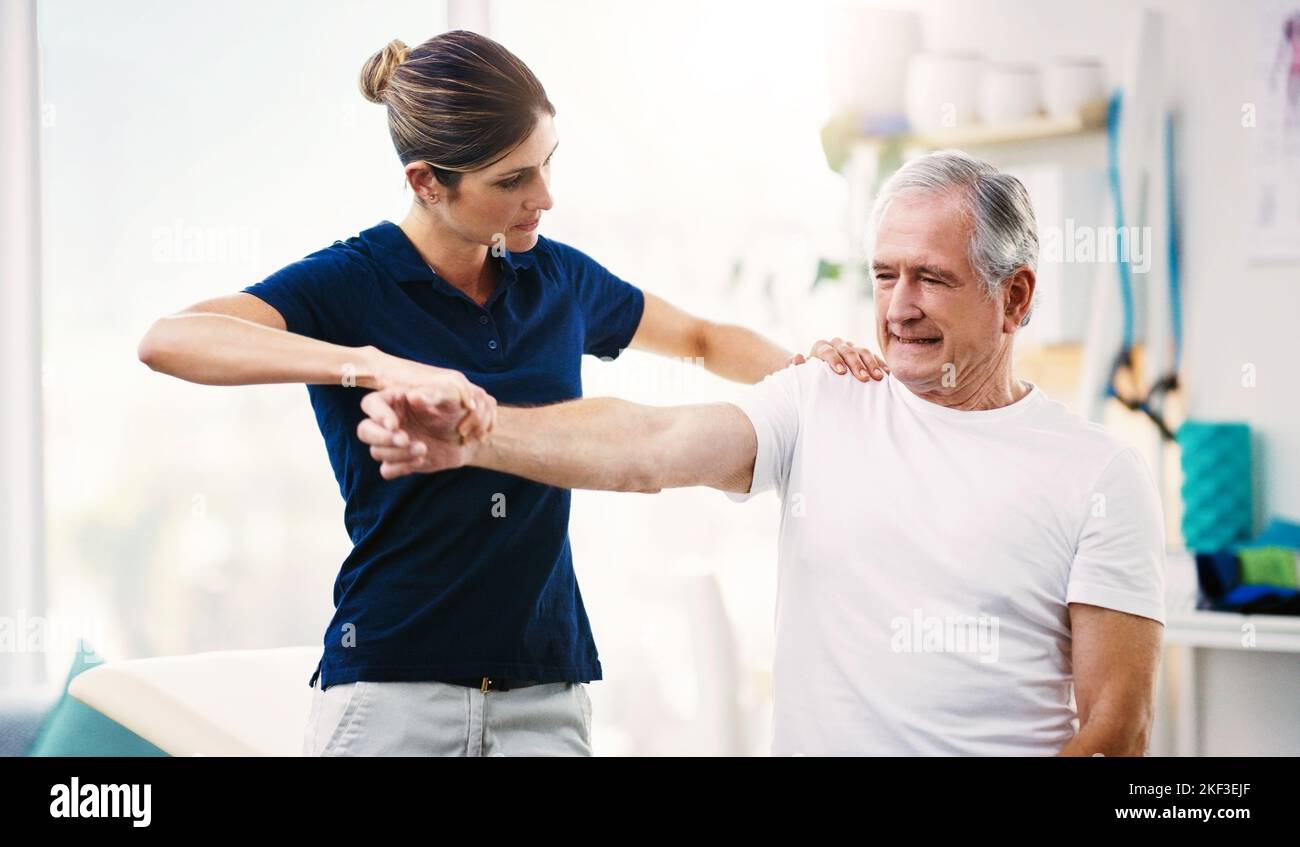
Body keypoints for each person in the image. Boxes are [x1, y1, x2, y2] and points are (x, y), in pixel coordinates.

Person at [137, 29, 883, 757]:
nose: (545, 197)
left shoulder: (558, 279)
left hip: (545, 690)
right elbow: (171, 338)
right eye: (512, 180)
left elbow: (702, 339)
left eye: (546, 164)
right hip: (392, 691)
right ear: (427, 182)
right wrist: (369, 362)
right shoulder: (351, 281)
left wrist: (812, 372)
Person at [359, 150, 1167, 756]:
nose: (899, 306)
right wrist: (478, 437)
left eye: (932, 278)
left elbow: (1116, 727)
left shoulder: (1097, 474)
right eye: (885, 276)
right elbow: (653, 445)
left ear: (1015, 296)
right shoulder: (822, 398)